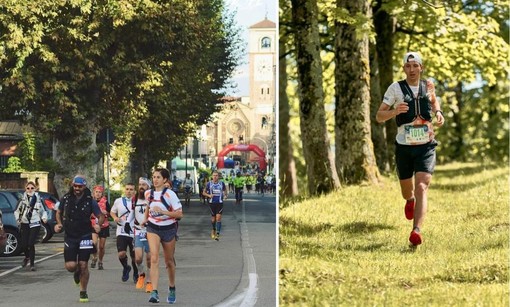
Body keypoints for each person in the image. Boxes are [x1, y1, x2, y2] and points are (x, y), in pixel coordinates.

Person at [376, 51, 445, 247]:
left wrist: (438, 112)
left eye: (416, 66)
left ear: (421, 68)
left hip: (426, 146)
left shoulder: (428, 85)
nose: (412, 69)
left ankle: (416, 231)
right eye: (408, 66)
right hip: (404, 147)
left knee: (422, 185)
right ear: (404, 68)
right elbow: (379, 116)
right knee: (408, 190)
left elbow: (433, 101)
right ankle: (409, 200)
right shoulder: (395, 89)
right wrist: (394, 111)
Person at [54, 175, 104, 303]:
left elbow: (100, 215)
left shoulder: (90, 200)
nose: (77, 188)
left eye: (79, 186)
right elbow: (58, 212)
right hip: (70, 235)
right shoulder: (65, 198)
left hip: (85, 235)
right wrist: (58, 224)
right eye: (75, 186)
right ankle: (75, 272)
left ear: (84, 187)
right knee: (71, 266)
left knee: (83, 264)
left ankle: (83, 291)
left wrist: (98, 224)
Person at [140, 167, 183, 304]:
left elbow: (179, 214)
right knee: (153, 257)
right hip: (153, 228)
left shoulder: (170, 195)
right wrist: (146, 218)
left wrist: (164, 212)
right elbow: (149, 205)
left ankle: (171, 287)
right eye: (154, 177)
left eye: (158, 177)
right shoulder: (148, 193)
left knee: (169, 261)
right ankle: (154, 292)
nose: (155, 179)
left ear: (165, 180)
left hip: (169, 228)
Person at [125, 177, 153, 293]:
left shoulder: (151, 199)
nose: (141, 187)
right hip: (138, 231)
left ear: (148, 187)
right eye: (140, 184)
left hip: (150, 231)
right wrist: (127, 222)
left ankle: (150, 281)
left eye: (144, 185)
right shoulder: (135, 199)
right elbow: (132, 211)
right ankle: (141, 274)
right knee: (138, 258)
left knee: (150, 258)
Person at [15, 181, 48, 271]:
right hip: (24, 223)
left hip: (35, 222)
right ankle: (27, 257)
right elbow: (16, 211)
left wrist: (44, 218)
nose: (30, 190)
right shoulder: (22, 199)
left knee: (30, 243)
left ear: (35, 189)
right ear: (25, 189)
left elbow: (44, 211)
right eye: (28, 188)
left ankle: (32, 264)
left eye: (32, 188)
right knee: (24, 244)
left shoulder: (38, 199)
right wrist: (18, 219)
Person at [110, 183, 138, 283]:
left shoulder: (138, 202)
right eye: (127, 189)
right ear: (124, 190)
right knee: (121, 254)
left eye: (131, 189)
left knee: (135, 257)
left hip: (134, 231)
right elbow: (112, 212)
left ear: (135, 191)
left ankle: (136, 272)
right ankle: (126, 267)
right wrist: (115, 218)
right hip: (121, 231)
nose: (129, 191)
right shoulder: (118, 201)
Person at [202, 171, 227, 241]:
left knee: (218, 218)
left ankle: (217, 234)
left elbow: (225, 190)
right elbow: (203, 192)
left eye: (216, 175)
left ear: (218, 176)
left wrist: (225, 195)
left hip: (220, 203)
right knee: (213, 219)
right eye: (214, 175)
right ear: (212, 176)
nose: (215, 177)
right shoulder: (208, 184)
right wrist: (209, 195)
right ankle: (214, 229)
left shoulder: (222, 183)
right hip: (211, 203)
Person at [90, 185, 110, 270]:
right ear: (93, 193)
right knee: (94, 243)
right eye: (96, 192)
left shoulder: (105, 202)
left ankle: (100, 261)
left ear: (102, 194)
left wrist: (106, 212)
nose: (98, 194)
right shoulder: (90, 202)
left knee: (101, 246)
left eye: (99, 192)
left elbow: (110, 213)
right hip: (93, 224)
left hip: (104, 225)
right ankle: (94, 257)